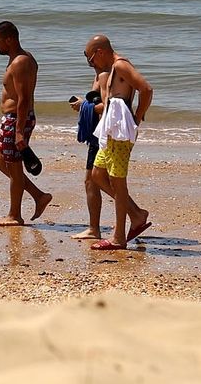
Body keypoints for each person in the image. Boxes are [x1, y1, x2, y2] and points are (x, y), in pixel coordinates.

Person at [83, 34, 153, 250]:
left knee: (118, 183)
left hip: (121, 134)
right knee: (97, 174)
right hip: (111, 133)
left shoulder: (121, 66)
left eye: (91, 59)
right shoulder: (112, 68)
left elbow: (146, 89)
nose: (91, 64)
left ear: (101, 52)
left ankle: (118, 237)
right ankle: (136, 213)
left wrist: (137, 118)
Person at [0, 20, 51, 226]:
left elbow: (23, 98)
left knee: (15, 168)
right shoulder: (17, 59)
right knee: (0, 162)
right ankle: (39, 196)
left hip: (17, 119)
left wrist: (18, 132)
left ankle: (14, 215)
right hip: (12, 119)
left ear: (10, 39)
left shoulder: (20, 62)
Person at [67, 72, 107, 241]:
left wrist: (85, 106)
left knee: (99, 180)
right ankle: (93, 228)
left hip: (103, 134)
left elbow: (110, 105)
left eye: (89, 56)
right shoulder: (101, 74)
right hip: (97, 133)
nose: (88, 61)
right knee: (92, 180)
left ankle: (135, 213)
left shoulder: (106, 74)